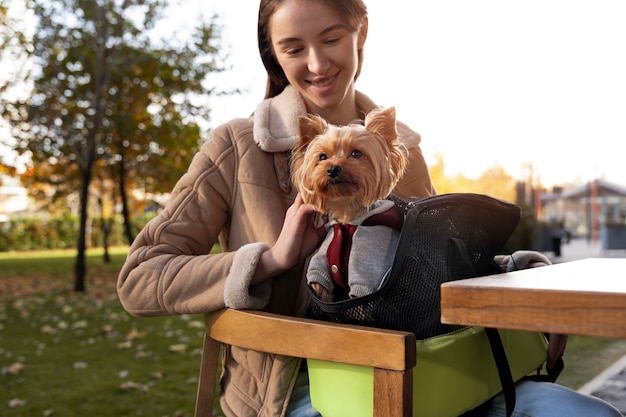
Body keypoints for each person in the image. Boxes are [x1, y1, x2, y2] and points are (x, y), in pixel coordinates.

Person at [117, 1, 622, 416]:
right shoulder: (236, 146)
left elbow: (437, 260)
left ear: (361, 32)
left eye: (332, 38)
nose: (317, 64)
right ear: (273, 55)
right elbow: (140, 279)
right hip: (299, 391)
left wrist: (525, 283)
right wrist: (269, 260)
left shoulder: (403, 149)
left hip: (428, 371)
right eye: (294, 48)